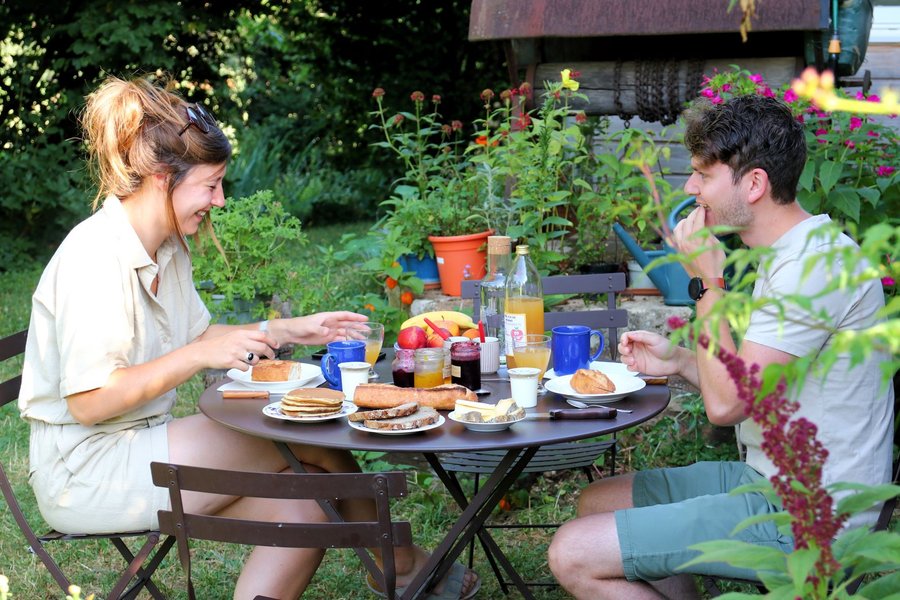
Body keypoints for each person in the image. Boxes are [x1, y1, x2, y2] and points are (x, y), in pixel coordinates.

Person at [18, 74, 479, 600]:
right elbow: (89, 401)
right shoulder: (95, 258)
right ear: (162, 179)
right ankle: (402, 564)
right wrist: (198, 355)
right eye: (210, 184)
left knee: (310, 506)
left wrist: (285, 329)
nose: (218, 200)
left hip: (140, 446)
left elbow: (197, 334)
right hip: (87, 470)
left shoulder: (164, 246)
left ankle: (398, 564)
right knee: (299, 431)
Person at [547, 94, 893, 599]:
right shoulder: (789, 255)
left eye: (703, 175)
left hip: (810, 517)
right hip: (766, 476)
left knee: (572, 552)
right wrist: (681, 360)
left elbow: (728, 404)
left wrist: (708, 283)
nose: (691, 188)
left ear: (754, 184)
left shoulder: (813, 270)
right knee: (598, 501)